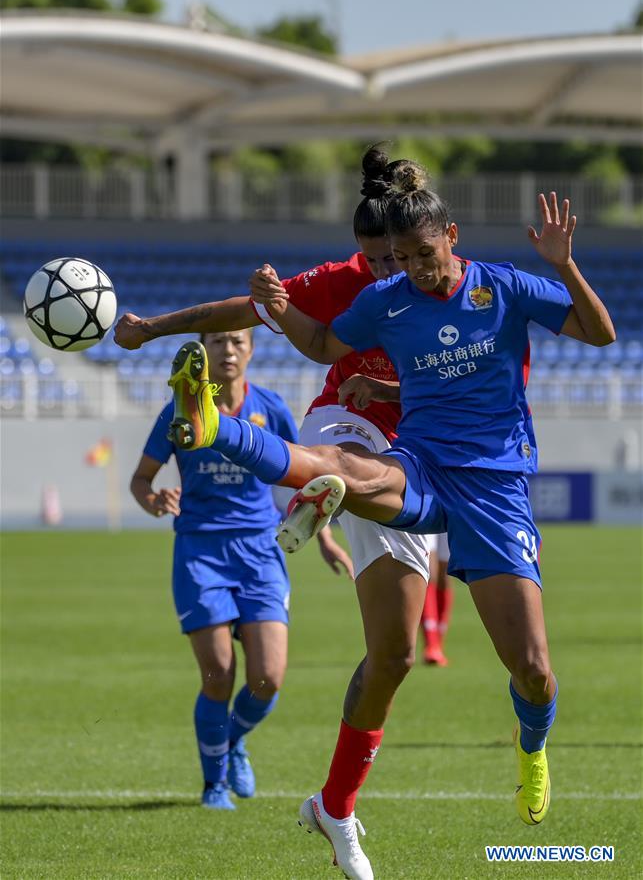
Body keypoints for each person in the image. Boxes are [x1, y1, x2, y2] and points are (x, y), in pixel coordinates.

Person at [161, 175, 615, 876]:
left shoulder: (504, 287)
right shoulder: (386, 300)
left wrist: (562, 264)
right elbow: (319, 345)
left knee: (532, 672)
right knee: (348, 469)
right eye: (399, 257)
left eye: (422, 253)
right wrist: (279, 310)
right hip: (421, 465)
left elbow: (599, 331)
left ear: (451, 238)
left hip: (494, 489)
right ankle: (215, 424)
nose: (410, 268)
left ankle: (531, 747)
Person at [115, 146, 435, 880]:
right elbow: (248, 309)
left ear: (421, 244)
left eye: (389, 259)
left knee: (391, 655)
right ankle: (300, 486)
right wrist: (155, 326)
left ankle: (325, 795)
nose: (380, 274)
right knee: (333, 456)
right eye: (368, 260)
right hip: (332, 440)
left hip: (414, 446)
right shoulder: (347, 281)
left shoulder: (451, 285)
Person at [130, 329, 351, 810]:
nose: (227, 351)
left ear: (250, 349)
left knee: (268, 678)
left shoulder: (269, 408)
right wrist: (154, 500)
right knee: (218, 676)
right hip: (200, 550)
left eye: (236, 342)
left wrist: (326, 538)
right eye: (217, 343)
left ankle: (231, 742)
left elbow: (304, 477)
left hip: (260, 550)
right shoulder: (179, 410)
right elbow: (141, 479)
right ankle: (214, 784)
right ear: (203, 352)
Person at [422, 533, 452, 666]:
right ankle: (432, 644)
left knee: (444, 575)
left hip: (454, 511)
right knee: (429, 572)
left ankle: (438, 642)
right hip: (427, 511)